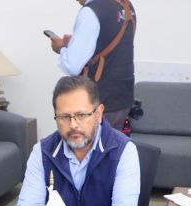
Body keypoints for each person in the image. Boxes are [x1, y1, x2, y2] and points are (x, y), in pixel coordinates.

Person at [14, 76, 139, 206]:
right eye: (64, 117)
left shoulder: (123, 150)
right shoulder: (42, 152)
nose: (73, 125)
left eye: (81, 115)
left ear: (98, 113)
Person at [49, 0, 136, 131]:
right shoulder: (126, 5)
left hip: (99, 99)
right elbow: (113, 45)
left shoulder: (91, 11)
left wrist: (61, 48)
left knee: (91, 144)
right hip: (123, 98)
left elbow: (72, 66)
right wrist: (76, 43)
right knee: (114, 143)